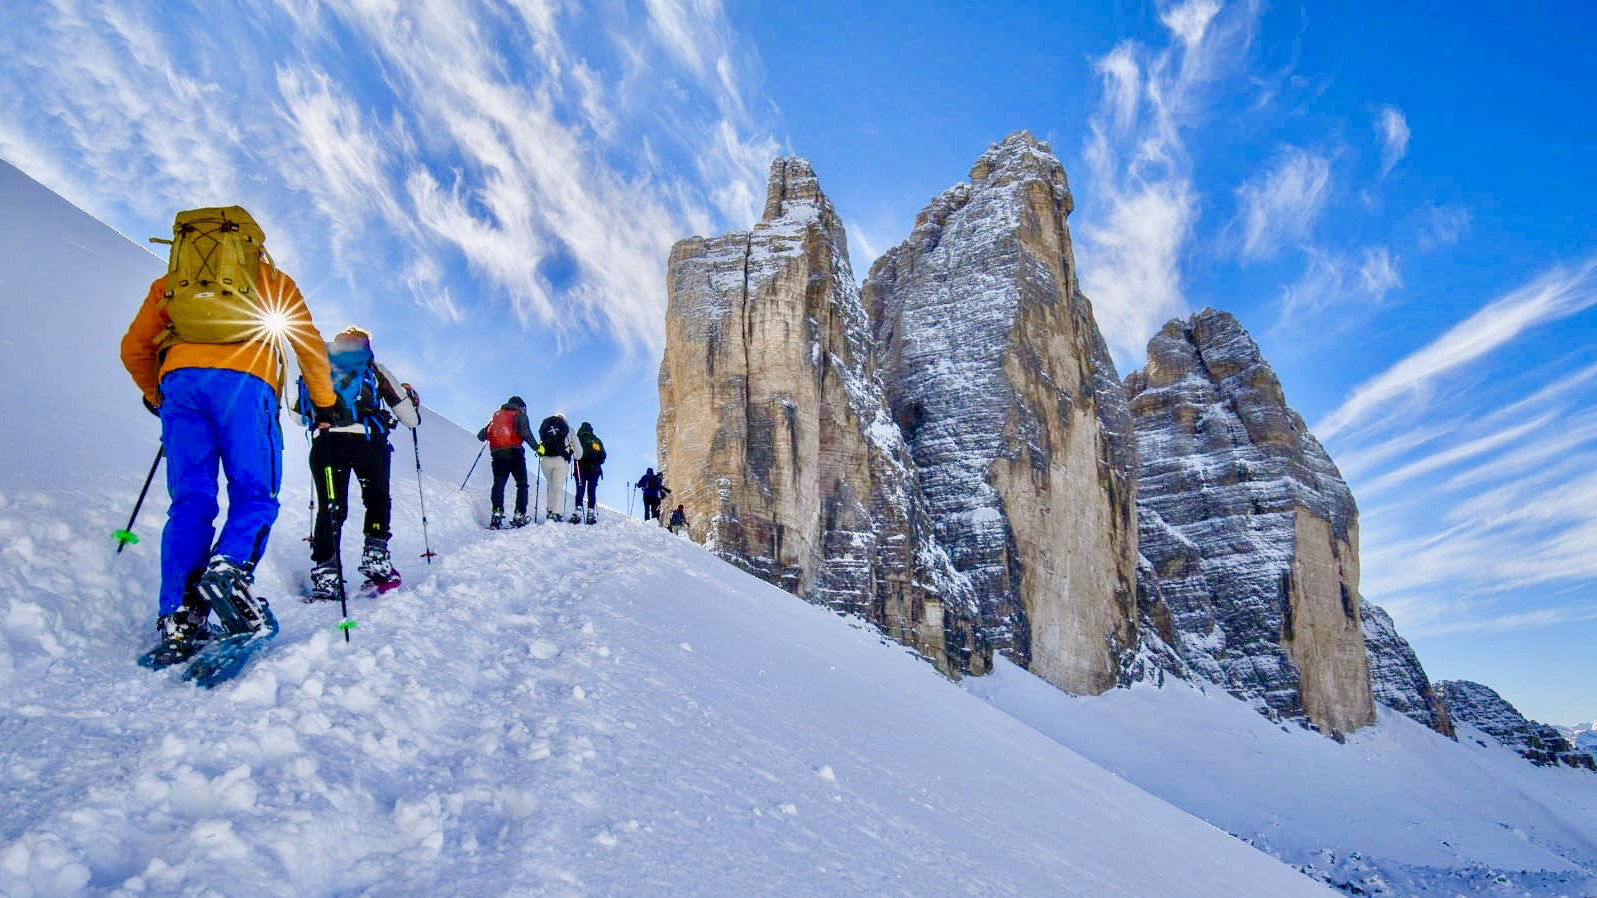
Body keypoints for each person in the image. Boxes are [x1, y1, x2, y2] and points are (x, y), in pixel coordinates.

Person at [121, 206, 335, 665]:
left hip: (180, 385)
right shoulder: (269, 279)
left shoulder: (173, 284)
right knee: (256, 492)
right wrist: (325, 400)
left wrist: (157, 393)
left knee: (191, 501)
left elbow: (133, 347)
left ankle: (179, 615)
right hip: (247, 382)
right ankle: (230, 569)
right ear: (250, 242)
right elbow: (309, 344)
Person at [300, 327, 420, 601]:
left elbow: (298, 414)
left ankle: (326, 574)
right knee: (377, 499)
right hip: (368, 442)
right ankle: (376, 559)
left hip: (327, 442)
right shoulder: (374, 368)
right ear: (365, 344)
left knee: (330, 506)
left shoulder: (320, 366)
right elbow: (409, 418)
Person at [476, 396, 537, 529]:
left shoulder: (496, 416)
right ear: (521, 406)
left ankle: (496, 513)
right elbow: (525, 433)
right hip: (515, 453)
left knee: (499, 484)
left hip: (497, 454)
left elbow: (481, 436)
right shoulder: (520, 415)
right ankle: (519, 515)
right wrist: (538, 448)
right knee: (522, 485)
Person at [535, 412, 582, 523]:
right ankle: (556, 513)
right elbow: (578, 450)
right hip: (560, 460)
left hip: (545, 460)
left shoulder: (546, 426)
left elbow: (540, 444)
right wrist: (576, 456)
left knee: (551, 485)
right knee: (558, 487)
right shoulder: (569, 429)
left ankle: (550, 511)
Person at [571, 421, 606, 525]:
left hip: (580, 467)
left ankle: (578, 510)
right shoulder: (596, 440)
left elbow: (572, 451)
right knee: (592, 490)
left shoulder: (577, 438)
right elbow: (603, 456)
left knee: (580, 488)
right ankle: (590, 513)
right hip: (594, 469)